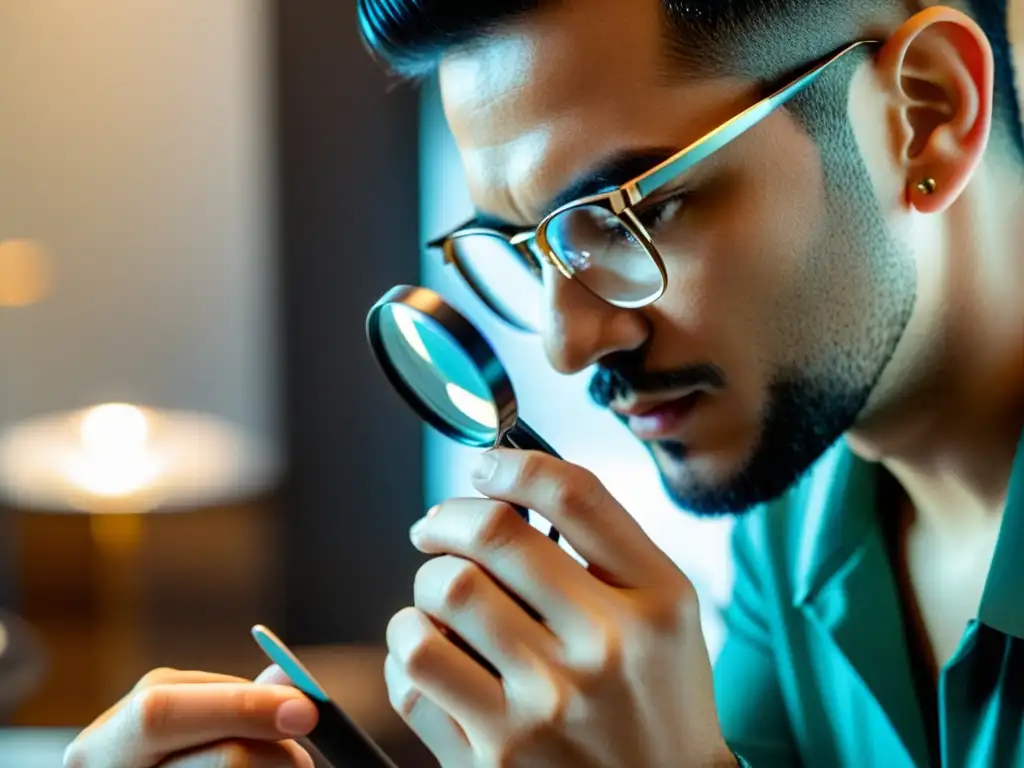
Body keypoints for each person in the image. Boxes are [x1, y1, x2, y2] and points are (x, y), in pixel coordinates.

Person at [65, 0, 1023, 766]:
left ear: (928, 115)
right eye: (526, 248)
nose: (568, 346)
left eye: (637, 211)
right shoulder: (806, 519)